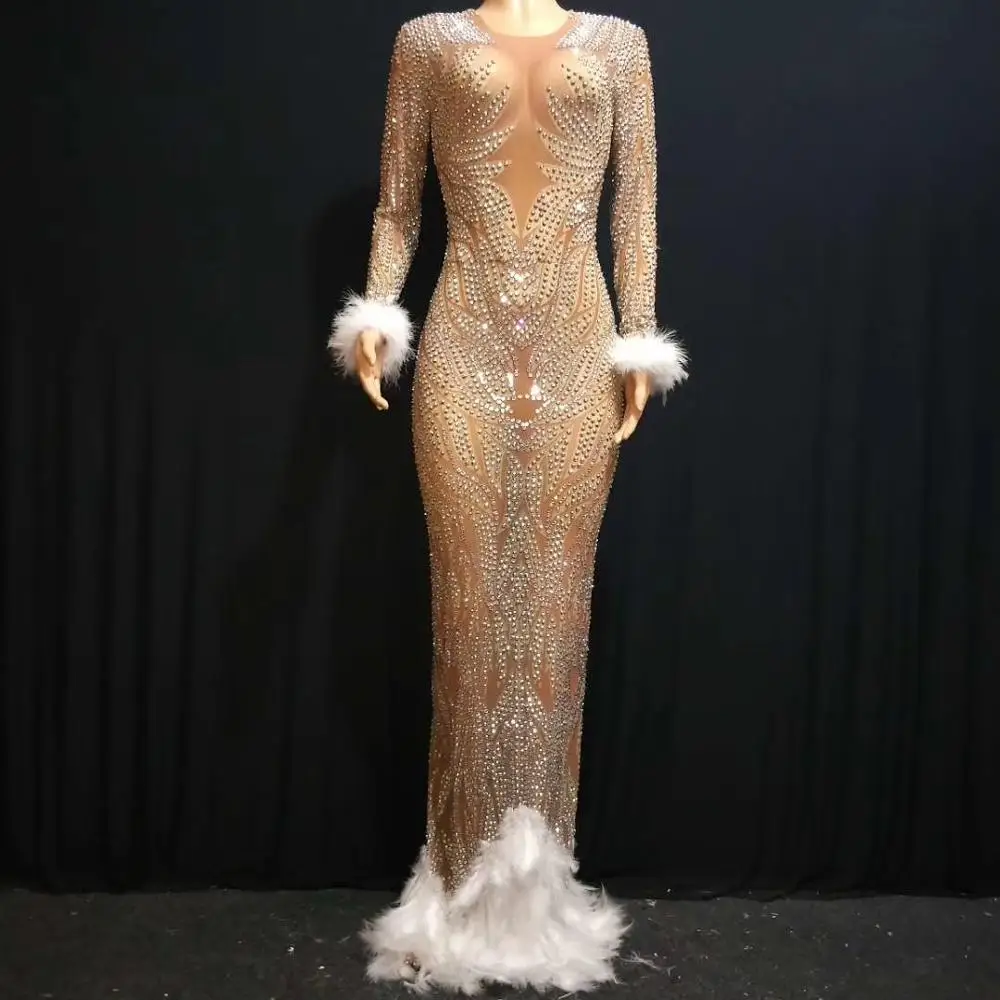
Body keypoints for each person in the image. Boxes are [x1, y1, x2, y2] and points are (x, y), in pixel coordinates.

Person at [328, 3, 687, 992]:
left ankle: (538, 900)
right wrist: (376, 310)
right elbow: (397, 206)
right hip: (462, 349)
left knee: (556, 614)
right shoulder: (427, 43)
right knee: (469, 613)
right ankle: (455, 891)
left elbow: (635, 209)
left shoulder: (619, 45)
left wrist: (639, 340)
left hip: (577, 348)